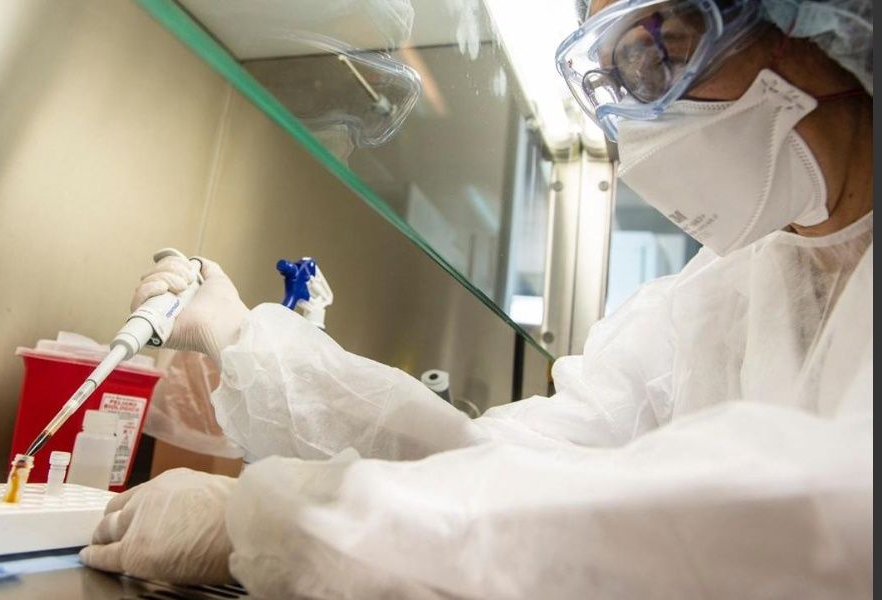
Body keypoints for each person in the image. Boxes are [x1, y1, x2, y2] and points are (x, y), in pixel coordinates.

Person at [80, 0, 873, 596]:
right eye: (615, 77)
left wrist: (262, 524)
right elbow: (497, 464)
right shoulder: (712, 300)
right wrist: (248, 342)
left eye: (656, 47)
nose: (634, 122)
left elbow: (807, 523)